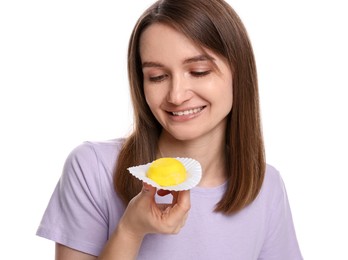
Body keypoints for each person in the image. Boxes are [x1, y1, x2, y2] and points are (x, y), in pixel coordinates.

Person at [36, 0, 303, 259]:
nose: (176, 95)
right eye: (157, 77)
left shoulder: (266, 186)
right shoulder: (93, 168)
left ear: (239, 73)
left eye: (198, 72)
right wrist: (130, 231)